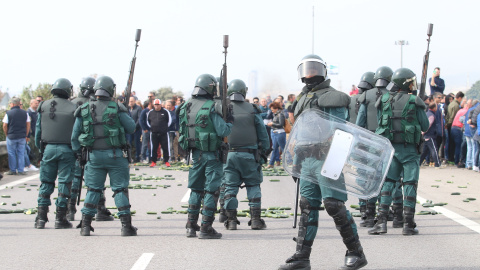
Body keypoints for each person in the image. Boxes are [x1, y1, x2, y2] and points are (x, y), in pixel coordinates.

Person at [279, 54, 366, 270]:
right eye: (307, 69)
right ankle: (301, 256)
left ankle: (356, 252)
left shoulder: (333, 97)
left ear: (324, 71)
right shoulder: (302, 99)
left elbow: (341, 130)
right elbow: (299, 134)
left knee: (334, 205)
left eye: (314, 68)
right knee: (307, 206)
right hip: (307, 159)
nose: (310, 74)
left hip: (328, 157)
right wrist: (296, 161)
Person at [71, 76, 137, 236]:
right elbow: (132, 128)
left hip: (93, 157)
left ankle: (85, 226)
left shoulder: (85, 109)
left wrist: (79, 155)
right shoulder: (117, 108)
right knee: (120, 190)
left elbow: (74, 137)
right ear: (111, 90)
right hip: (116, 157)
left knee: (93, 190)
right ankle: (126, 227)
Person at [368, 68, 429, 237]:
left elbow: (381, 123)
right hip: (409, 150)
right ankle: (408, 224)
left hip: (391, 149)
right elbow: (425, 126)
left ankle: (381, 223)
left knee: (388, 183)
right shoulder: (414, 101)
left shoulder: (384, 99)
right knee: (410, 184)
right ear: (405, 83)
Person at [178, 74, 233, 239]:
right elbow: (224, 131)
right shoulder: (211, 106)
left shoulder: (185, 106)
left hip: (195, 154)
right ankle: (206, 227)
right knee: (211, 190)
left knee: (195, 188)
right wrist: (229, 121)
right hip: (212, 155)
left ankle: (190, 225)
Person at [356, 66, 403, 228]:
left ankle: (369, 216)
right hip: (390, 143)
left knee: (371, 179)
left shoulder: (366, 96)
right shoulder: (395, 96)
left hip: (370, 143)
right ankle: (398, 216)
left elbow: (359, 123)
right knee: (393, 180)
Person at [222, 79, 270, 230]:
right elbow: (263, 135)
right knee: (253, 185)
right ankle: (255, 220)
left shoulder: (223, 110)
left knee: (230, 187)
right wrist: (264, 153)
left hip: (229, 155)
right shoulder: (252, 109)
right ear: (244, 91)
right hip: (249, 155)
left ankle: (231, 221)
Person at [33, 78, 76, 229]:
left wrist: (41, 150)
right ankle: (60, 218)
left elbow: (38, 132)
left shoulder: (43, 105)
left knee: (46, 183)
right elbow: (77, 132)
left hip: (48, 148)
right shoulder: (74, 107)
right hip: (67, 150)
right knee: (64, 183)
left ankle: (41, 218)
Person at [3, 97, 30, 175]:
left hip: (11, 136)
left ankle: (13, 170)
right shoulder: (25, 113)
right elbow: (28, 125)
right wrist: (26, 134)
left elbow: (4, 125)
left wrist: (7, 134)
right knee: (21, 153)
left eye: (10, 103)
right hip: (22, 136)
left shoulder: (8, 113)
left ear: (13, 104)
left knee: (11, 153)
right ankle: (21, 170)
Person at [147, 99, 172, 167]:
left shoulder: (165, 112)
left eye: (158, 105)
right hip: (154, 133)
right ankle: (153, 161)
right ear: (153, 105)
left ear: (161, 105)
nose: (157, 106)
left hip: (163, 133)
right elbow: (148, 122)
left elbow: (169, 121)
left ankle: (166, 161)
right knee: (154, 147)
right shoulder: (150, 112)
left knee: (165, 147)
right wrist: (153, 127)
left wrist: (164, 128)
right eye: (155, 105)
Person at [420, 103, 441, 167]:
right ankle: (437, 163)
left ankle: (419, 163)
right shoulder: (431, 115)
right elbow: (428, 126)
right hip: (430, 135)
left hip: (425, 136)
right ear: (434, 108)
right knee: (434, 150)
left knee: (424, 151)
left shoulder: (427, 114)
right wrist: (423, 132)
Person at [446, 92, 465, 165]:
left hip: (450, 126)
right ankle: (455, 160)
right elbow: (453, 117)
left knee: (451, 143)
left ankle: (450, 158)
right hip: (454, 126)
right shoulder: (456, 105)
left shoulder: (451, 104)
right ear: (460, 97)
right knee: (456, 145)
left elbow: (448, 116)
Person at [266, 102, 286, 168]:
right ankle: (271, 164)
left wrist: (272, 124)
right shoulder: (275, 114)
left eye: (273, 109)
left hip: (280, 133)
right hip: (275, 132)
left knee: (283, 149)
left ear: (276, 108)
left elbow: (281, 124)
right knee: (274, 149)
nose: (272, 111)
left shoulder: (280, 114)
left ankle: (286, 163)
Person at [451, 98, 470, 167]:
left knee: (456, 146)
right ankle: (458, 161)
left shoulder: (460, 110)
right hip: (458, 129)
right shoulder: (466, 111)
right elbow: (463, 120)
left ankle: (454, 160)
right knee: (459, 146)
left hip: (453, 128)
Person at [465, 100, 479, 170]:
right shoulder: (477, 108)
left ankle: (469, 164)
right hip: (473, 129)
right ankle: (474, 164)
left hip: (467, 130)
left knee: (470, 148)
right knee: (475, 148)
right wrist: (473, 123)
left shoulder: (470, 110)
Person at [127, 97, 143, 162]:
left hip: (137, 129)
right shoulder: (127, 109)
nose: (131, 103)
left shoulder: (138, 108)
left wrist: (134, 127)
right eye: (130, 101)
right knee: (129, 143)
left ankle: (137, 157)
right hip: (129, 130)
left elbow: (139, 119)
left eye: (132, 101)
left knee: (137, 144)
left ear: (134, 101)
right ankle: (130, 157)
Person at [27, 99, 40, 167]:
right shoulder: (28, 112)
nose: (37, 104)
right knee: (31, 149)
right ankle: (31, 163)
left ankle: (35, 162)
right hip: (31, 134)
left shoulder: (37, 112)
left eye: (37, 103)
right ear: (31, 103)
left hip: (36, 133)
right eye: (35, 103)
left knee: (36, 149)